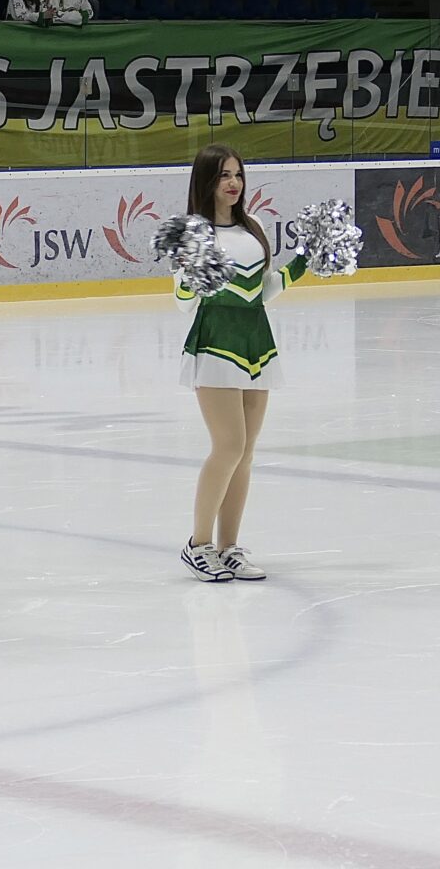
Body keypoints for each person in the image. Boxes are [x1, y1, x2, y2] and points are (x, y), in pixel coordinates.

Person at [173, 146, 308, 584]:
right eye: (223, 176)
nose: (233, 183)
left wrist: (303, 263)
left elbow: (261, 291)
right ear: (206, 181)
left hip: (256, 342)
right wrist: (190, 277)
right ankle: (198, 545)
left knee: (246, 452)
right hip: (215, 343)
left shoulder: (255, 227)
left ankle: (228, 547)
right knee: (228, 446)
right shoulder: (192, 233)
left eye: (237, 174)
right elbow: (182, 301)